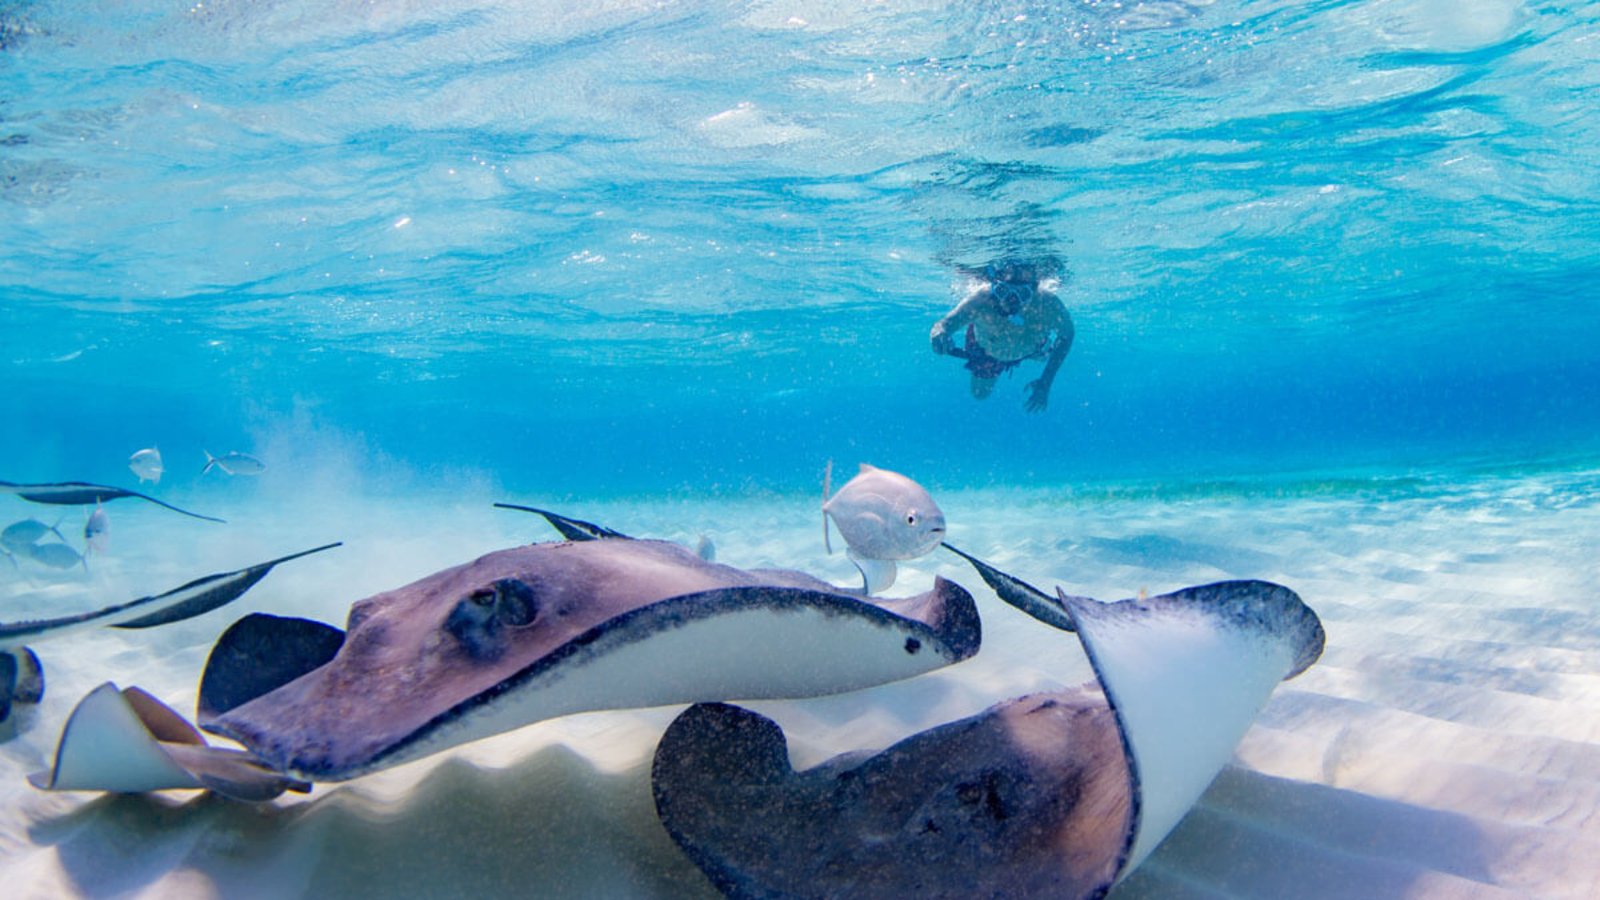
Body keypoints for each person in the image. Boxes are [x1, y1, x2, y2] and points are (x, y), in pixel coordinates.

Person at [929, 260, 1074, 413]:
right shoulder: (981, 299)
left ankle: (1038, 349)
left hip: (1030, 348)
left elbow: (1067, 335)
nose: (1011, 302)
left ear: (1035, 289)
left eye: (1023, 294)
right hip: (986, 351)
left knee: (1044, 354)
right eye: (1002, 291)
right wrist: (939, 334)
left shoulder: (1048, 304)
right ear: (994, 286)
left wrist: (1046, 381)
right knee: (979, 394)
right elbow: (944, 324)